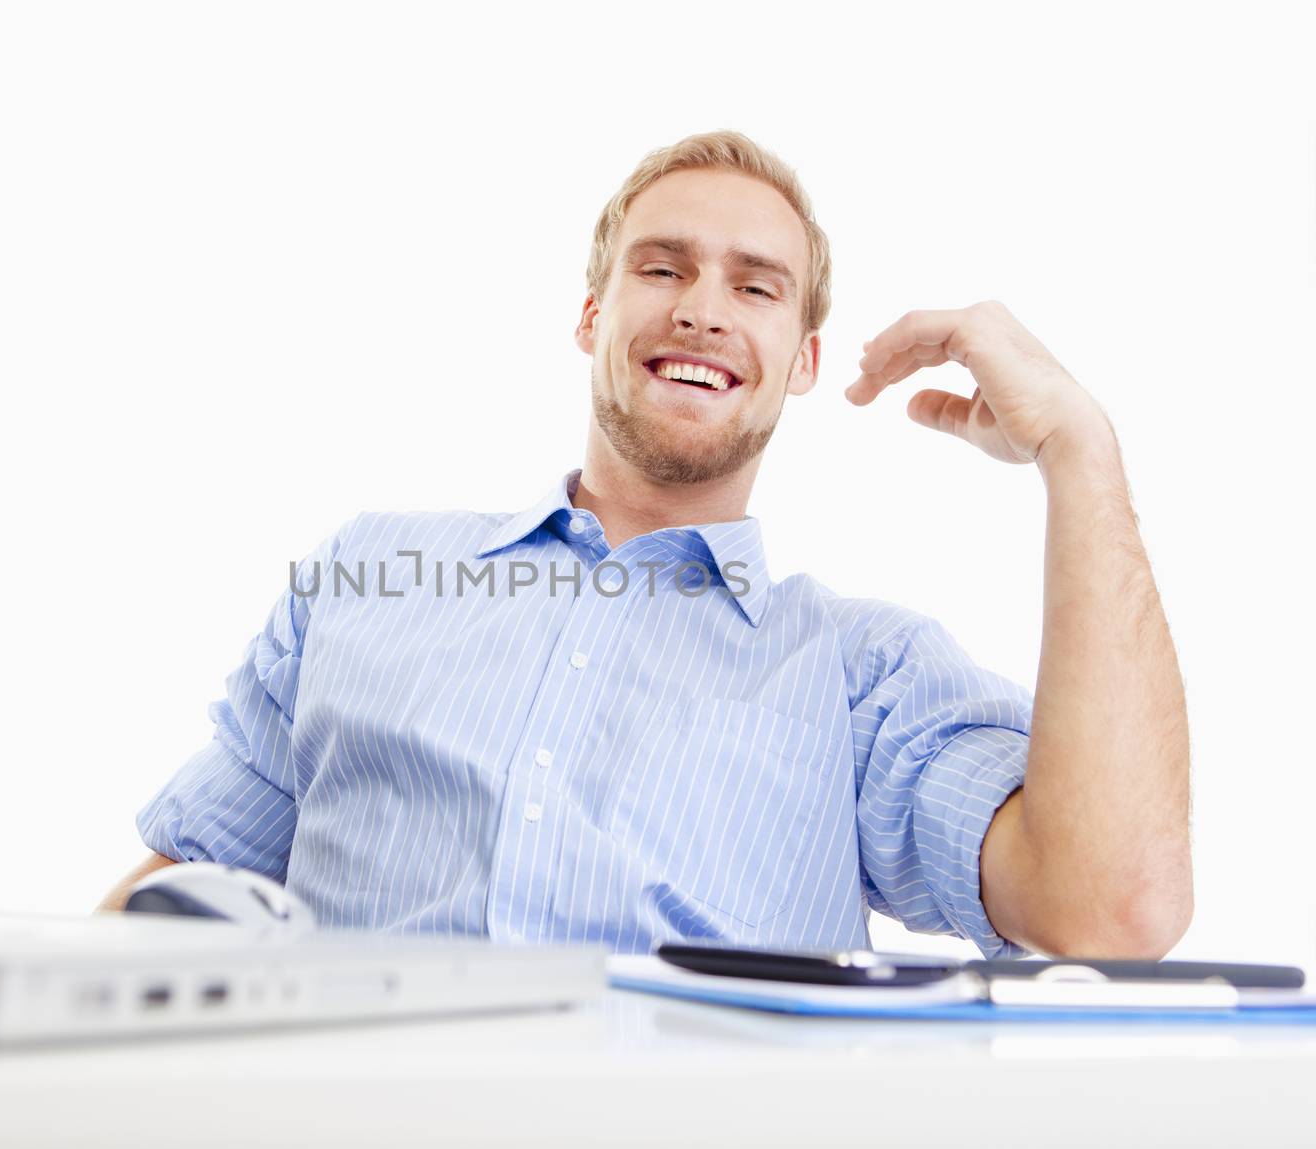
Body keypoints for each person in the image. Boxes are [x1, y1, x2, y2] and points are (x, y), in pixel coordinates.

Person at [97, 130, 1192, 959]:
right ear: (590, 317)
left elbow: (1111, 908)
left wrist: (1079, 452)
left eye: (754, 287)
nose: (702, 312)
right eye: (662, 269)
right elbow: (166, 907)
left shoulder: (863, 677)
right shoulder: (368, 576)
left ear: (802, 359)